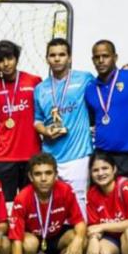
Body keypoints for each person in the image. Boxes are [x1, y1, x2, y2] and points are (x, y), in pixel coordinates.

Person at [8, 153, 86, 254]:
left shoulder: (65, 190)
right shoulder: (23, 198)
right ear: (31, 177)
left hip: (55, 236)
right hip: (33, 238)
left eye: (48, 173)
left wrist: (78, 239)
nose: (43, 179)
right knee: (27, 244)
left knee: (81, 238)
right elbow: (16, 240)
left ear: (56, 175)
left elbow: (80, 223)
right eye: (38, 174)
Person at [84, 40, 128, 194]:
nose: (101, 60)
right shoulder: (90, 89)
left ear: (115, 57)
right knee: (104, 210)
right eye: (97, 57)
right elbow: (92, 120)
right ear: (93, 60)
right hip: (103, 159)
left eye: (105, 56)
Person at [33, 38, 95, 211]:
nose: (57, 59)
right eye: (52, 55)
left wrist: (124, 74)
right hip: (51, 156)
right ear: (47, 59)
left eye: (62, 54)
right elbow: (37, 119)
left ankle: (80, 238)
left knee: (79, 203)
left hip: (78, 155)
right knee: (53, 205)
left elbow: (105, 89)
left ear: (69, 58)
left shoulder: (84, 79)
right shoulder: (40, 89)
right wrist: (45, 131)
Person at [0, 40, 42, 202]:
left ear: (17, 58)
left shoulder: (34, 81)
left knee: (31, 203)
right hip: (4, 156)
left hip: (31, 154)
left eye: (10, 58)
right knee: (6, 204)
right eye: (0, 60)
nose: (6, 64)